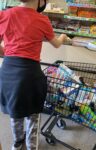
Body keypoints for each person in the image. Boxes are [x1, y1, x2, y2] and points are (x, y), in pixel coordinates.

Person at [0, 0, 69, 150]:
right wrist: (63, 36)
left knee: (15, 111)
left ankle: (17, 143)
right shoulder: (42, 19)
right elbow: (56, 44)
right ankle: (31, 146)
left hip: (8, 72)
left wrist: (10, 54)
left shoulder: (4, 15)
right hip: (29, 73)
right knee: (33, 115)